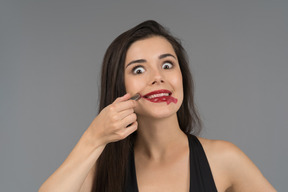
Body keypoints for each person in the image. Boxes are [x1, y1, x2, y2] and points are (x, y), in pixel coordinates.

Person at [39, 20, 276, 192]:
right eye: (139, 70)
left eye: (167, 65)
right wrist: (94, 138)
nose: (157, 77)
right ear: (119, 87)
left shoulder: (224, 158)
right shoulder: (102, 170)